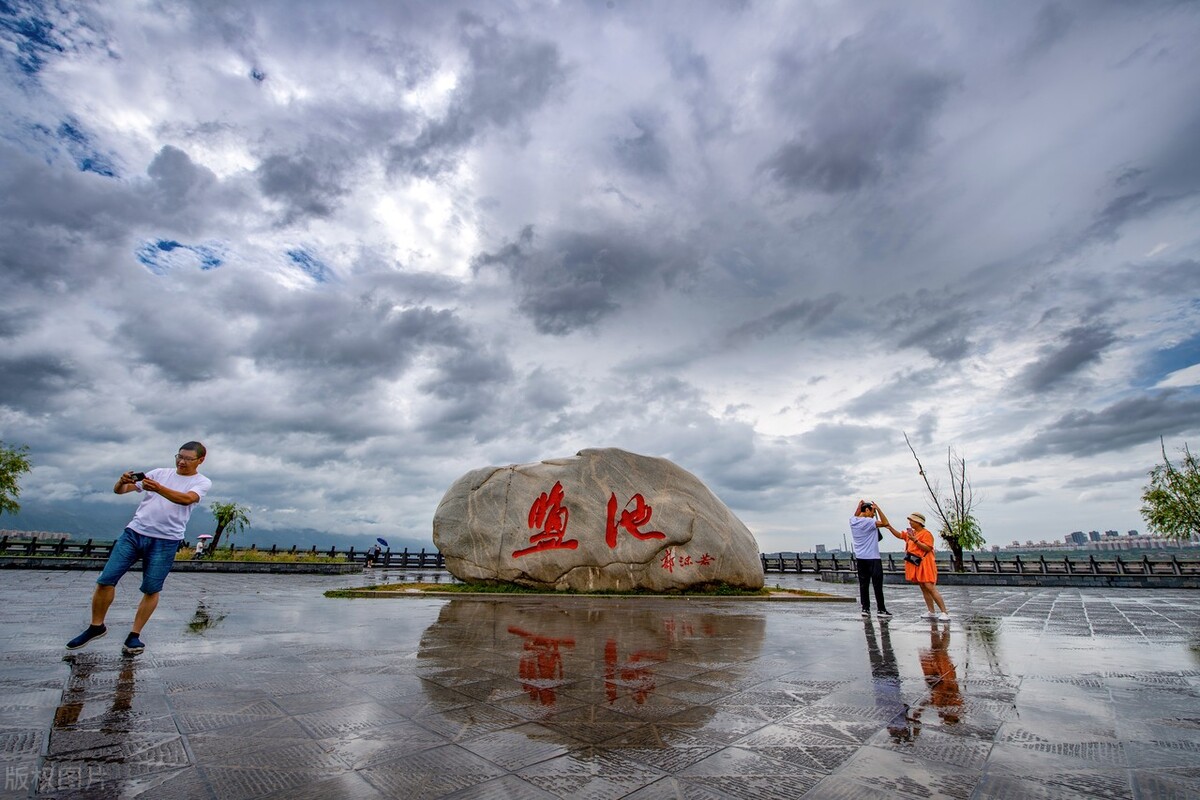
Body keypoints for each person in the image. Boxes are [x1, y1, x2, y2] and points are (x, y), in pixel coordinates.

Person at [66, 442, 211, 656]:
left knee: (151, 588)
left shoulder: (202, 482)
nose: (181, 461)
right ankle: (96, 626)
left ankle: (134, 634)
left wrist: (158, 488)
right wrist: (121, 482)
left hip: (166, 540)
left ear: (200, 460)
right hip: (135, 533)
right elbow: (122, 491)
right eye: (179, 456)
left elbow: (186, 499)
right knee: (106, 579)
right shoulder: (159, 473)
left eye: (188, 459)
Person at [887, 511, 950, 621]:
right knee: (923, 587)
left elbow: (928, 548)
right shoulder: (912, 533)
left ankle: (944, 611)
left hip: (925, 563)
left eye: (912, 521)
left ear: (918, 522)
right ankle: (931, 611)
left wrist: (915, 540)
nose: (910, 523)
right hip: (916, 563)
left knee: (930, 587)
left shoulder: (926, 534)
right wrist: (889, 527)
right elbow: (900, 535)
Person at [849, 499, 892, 618]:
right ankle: (881, 609)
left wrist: (859, 506)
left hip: (860, 557)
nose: (873, 515)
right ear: (867, 510)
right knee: (877, 585)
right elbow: (885, 523)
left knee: (863, 584)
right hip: (873, 557)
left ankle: (865, 608)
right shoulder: (869, 522)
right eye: (872, 512)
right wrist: (878, 509)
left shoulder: (852, 521)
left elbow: (856, 515)